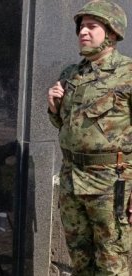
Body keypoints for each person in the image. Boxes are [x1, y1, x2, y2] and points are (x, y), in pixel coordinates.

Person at [47, 1, 132, 274]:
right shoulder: (72, 74)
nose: (83, 32)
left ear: (112, 32)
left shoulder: (128, 74)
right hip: (71, 176)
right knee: (79, 258)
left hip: (110, 182)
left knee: (112, 259)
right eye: (81, 27)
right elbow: (63, 124)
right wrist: (53, 106)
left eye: (91, 26)